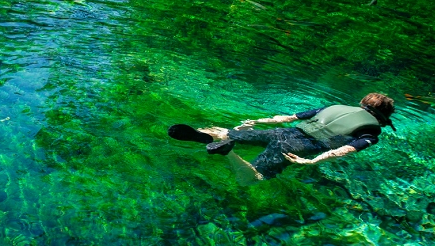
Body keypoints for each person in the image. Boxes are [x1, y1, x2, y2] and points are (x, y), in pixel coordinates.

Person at [168, 93, 396, 186]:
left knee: (226, 132)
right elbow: (345, 150)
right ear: (384, 116)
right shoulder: (372, 131)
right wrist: (312, 162)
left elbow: (286, 118)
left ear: (362, 103)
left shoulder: (333, 107)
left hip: (284, 132)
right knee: (251, 178)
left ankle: (214, 135)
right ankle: (229, 152)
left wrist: (255, 122)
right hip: (299, 146)